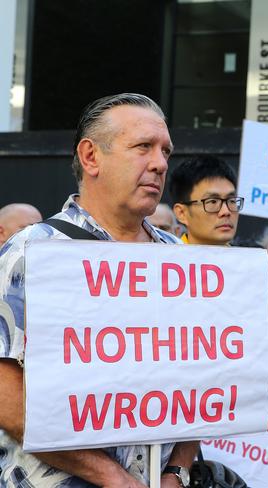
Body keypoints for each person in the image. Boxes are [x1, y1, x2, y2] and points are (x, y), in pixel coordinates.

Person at [0, 93, 197, 488]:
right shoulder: (30, 252)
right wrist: (111, 476)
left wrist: (178, 470)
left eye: (165, 151)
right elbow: (5, 395)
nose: (160, 163)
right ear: (91, 157)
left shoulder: (182, 260)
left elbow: (207, 380)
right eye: (143, 147)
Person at [169, 155, 242, 246]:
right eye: (213, 202)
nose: (226, 212)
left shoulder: (251, 259)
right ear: (181, 213)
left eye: (232, 201)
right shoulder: (165, 259)